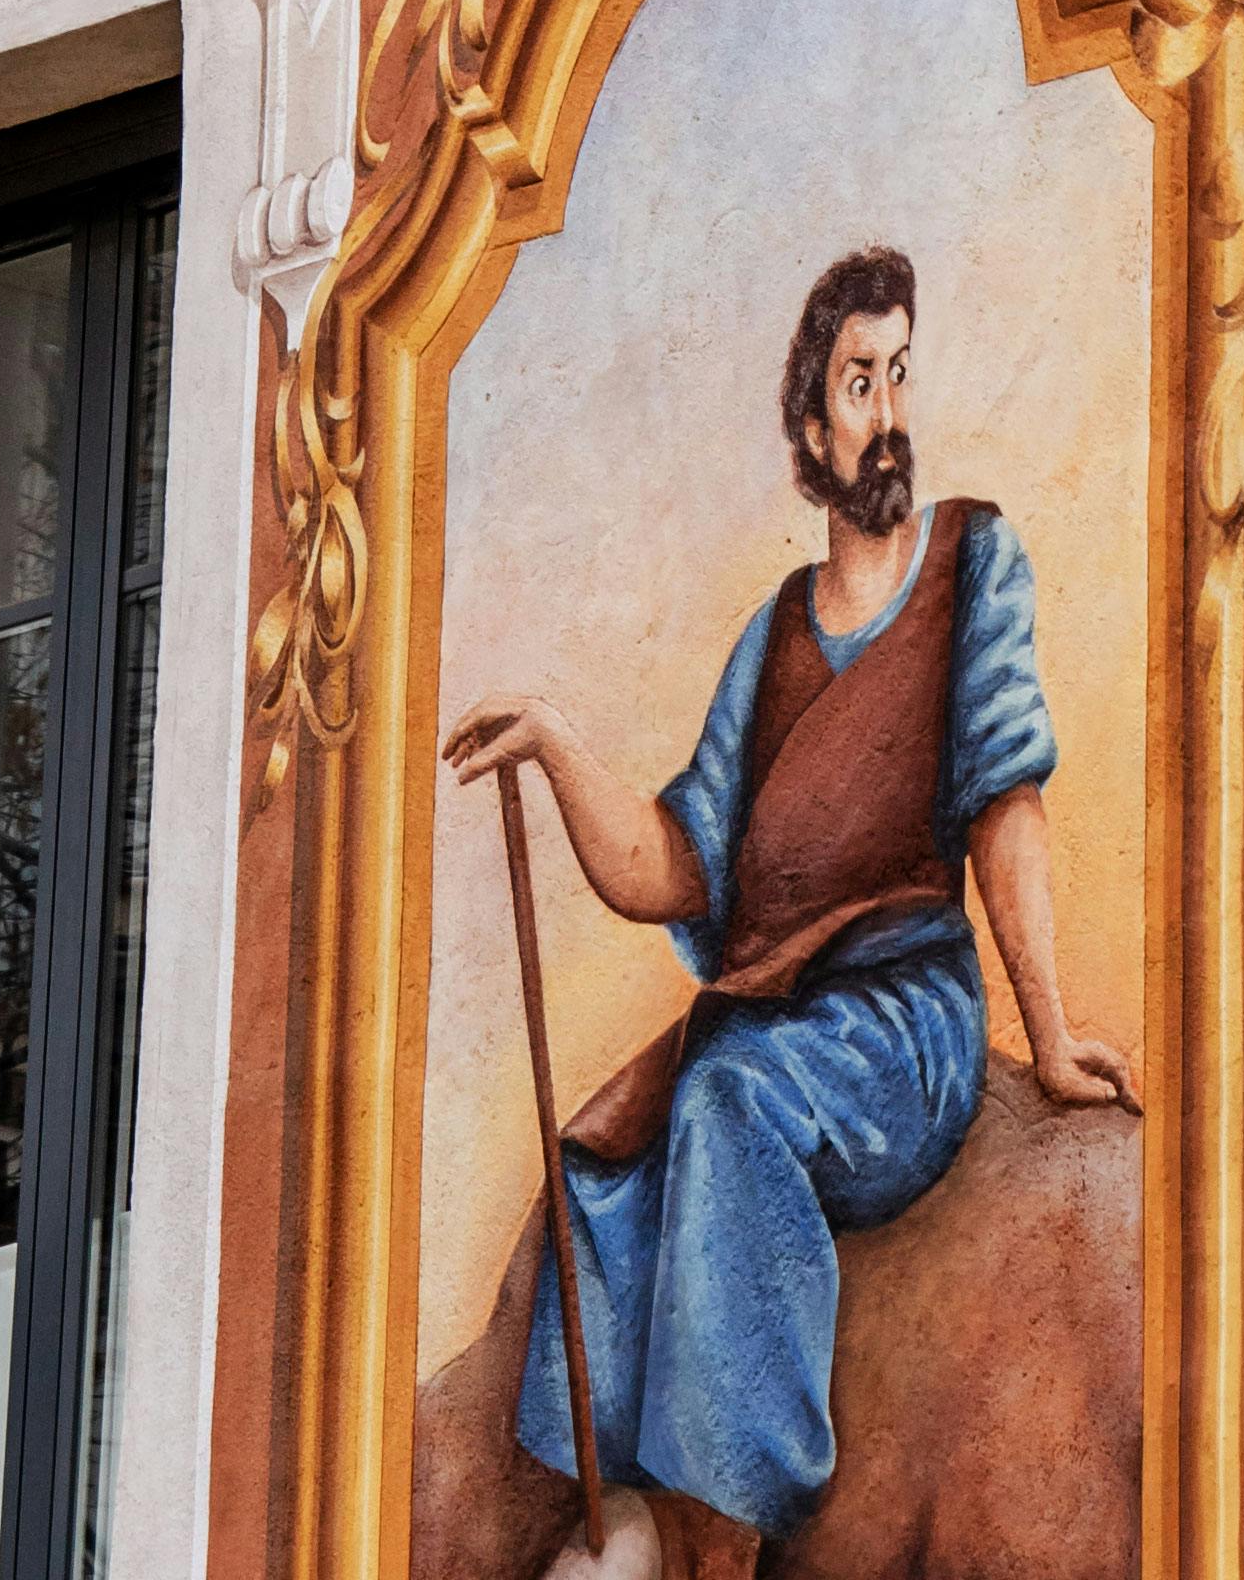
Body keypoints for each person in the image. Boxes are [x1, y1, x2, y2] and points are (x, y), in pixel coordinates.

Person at [446, 243, 1130, 1580]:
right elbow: (675, 868)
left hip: (903, 1017)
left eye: (900, 375)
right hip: (779, 1011)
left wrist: (1047, 1033)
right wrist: (556, 747)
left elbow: (1006, 807)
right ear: (812, 429)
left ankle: (726, 1526)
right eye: (859, 384)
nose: (889, 413)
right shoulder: (773, 640)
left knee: (730, 1101)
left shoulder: (970, 564)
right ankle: (626, 1506)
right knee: (605, 1154)